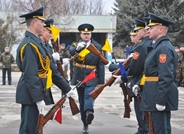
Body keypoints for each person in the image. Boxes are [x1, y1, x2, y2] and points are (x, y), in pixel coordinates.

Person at [16, 7, 73, 134]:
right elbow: (31, 75)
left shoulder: (38, 44)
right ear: (33, 23)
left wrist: (67, 88)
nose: (44, 24)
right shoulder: (30, 45)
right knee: (27, 130)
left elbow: (51, 70)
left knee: (35, 129)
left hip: (37, 92)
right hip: (30, 95)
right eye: (41, 22)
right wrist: (37, 98)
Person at [133, 13, 178, 134]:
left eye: (151, 28)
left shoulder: (163, 48)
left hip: (158, 96)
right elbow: (150, 73)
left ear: (161, 30)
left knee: (161, 129)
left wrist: (161, 100)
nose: (148, 30)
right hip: (152, 94)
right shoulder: (156, 47)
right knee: (154, 129)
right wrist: (139, 84)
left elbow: (166, 76)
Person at [112, 18, 152, 134]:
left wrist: (124, 77)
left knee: (141, 113)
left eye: (137, 31)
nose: (136, 34)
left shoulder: (141, 46)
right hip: (145, 84)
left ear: (144, 31)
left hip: (140, 83)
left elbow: (135, 68)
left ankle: (143, 130)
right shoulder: (149, 43)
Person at [68, 23, 105, 133]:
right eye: (84, 34)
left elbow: (101, 64)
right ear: (80, 34)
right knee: (81, 101)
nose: (86, 36)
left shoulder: (97, 47)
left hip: (91, 76)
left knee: (89, 95)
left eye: (88, 34)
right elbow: (70, 52)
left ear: (91, 34)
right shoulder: (75, 45)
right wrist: (76, 49)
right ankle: (85, 123)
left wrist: (101, 82)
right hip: (79, 75)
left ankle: (89, 112)